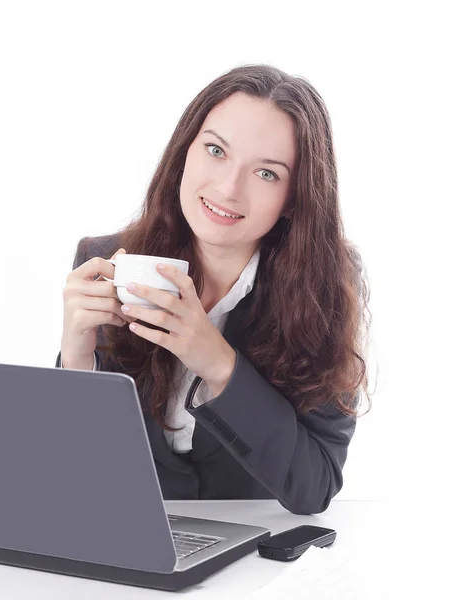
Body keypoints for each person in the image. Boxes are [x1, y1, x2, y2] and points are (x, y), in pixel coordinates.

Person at [55, 64, 372, 515]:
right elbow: (72, 474)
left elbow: (314, 485)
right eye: (215, 150)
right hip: (129, 542)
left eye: (267, 174)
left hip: (256, 565)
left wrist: (220, 366)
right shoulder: (107, 259)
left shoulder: (324, 287)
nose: (227, 188)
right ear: (185, 151)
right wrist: (77, 358)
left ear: (295, 199)